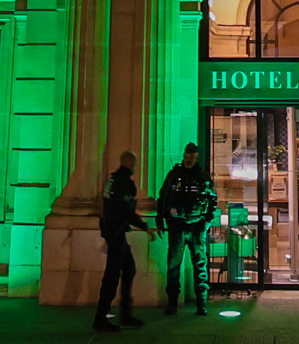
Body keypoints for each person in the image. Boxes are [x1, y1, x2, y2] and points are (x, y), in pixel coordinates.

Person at [156, 141, 217, 315]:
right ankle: (172, 301)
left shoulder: (203, 177)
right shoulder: (174, 175)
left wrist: (206, 223)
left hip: (197, 226)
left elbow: (213, 201)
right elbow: (163, 198)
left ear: (196, 157)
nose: (189, 159)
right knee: (174, 265)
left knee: (200, 265)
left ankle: (201, 301)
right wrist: (160, 221)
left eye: (192, 156)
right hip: (177, 226)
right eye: (187, 156)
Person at [93, 151, 146, 332]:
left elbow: (106, 207)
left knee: (128, 269)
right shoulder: (123, 183)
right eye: (136, 163)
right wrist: (144, 226)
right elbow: (126, 211)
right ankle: (101, 317)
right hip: (116, 232)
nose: (136, 167)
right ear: (131, 164)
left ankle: (125, 313)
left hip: (114, 231)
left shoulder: (112, 181)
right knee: (113, 276)